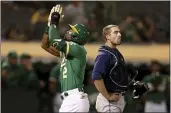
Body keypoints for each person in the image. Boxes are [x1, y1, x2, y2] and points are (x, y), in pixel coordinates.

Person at [41, 5, 90, 112]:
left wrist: (54, 21)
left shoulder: (77, 48)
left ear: (78, 36)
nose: (68, 31)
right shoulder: (70, 51)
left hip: (74, 98)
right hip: (72, 98)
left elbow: (54, 40)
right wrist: (49, 25)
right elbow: (44, 45)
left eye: (72, 30)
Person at [92, 24, 149, 112]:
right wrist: (108, 96)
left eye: (119, 32)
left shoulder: (115, 53)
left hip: (116, 99)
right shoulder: (105, 55)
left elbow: (117, 76)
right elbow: (96, 77)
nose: (119, 34)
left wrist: (133, 83)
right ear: (107, 36)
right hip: (109, 101)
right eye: (115, 32)